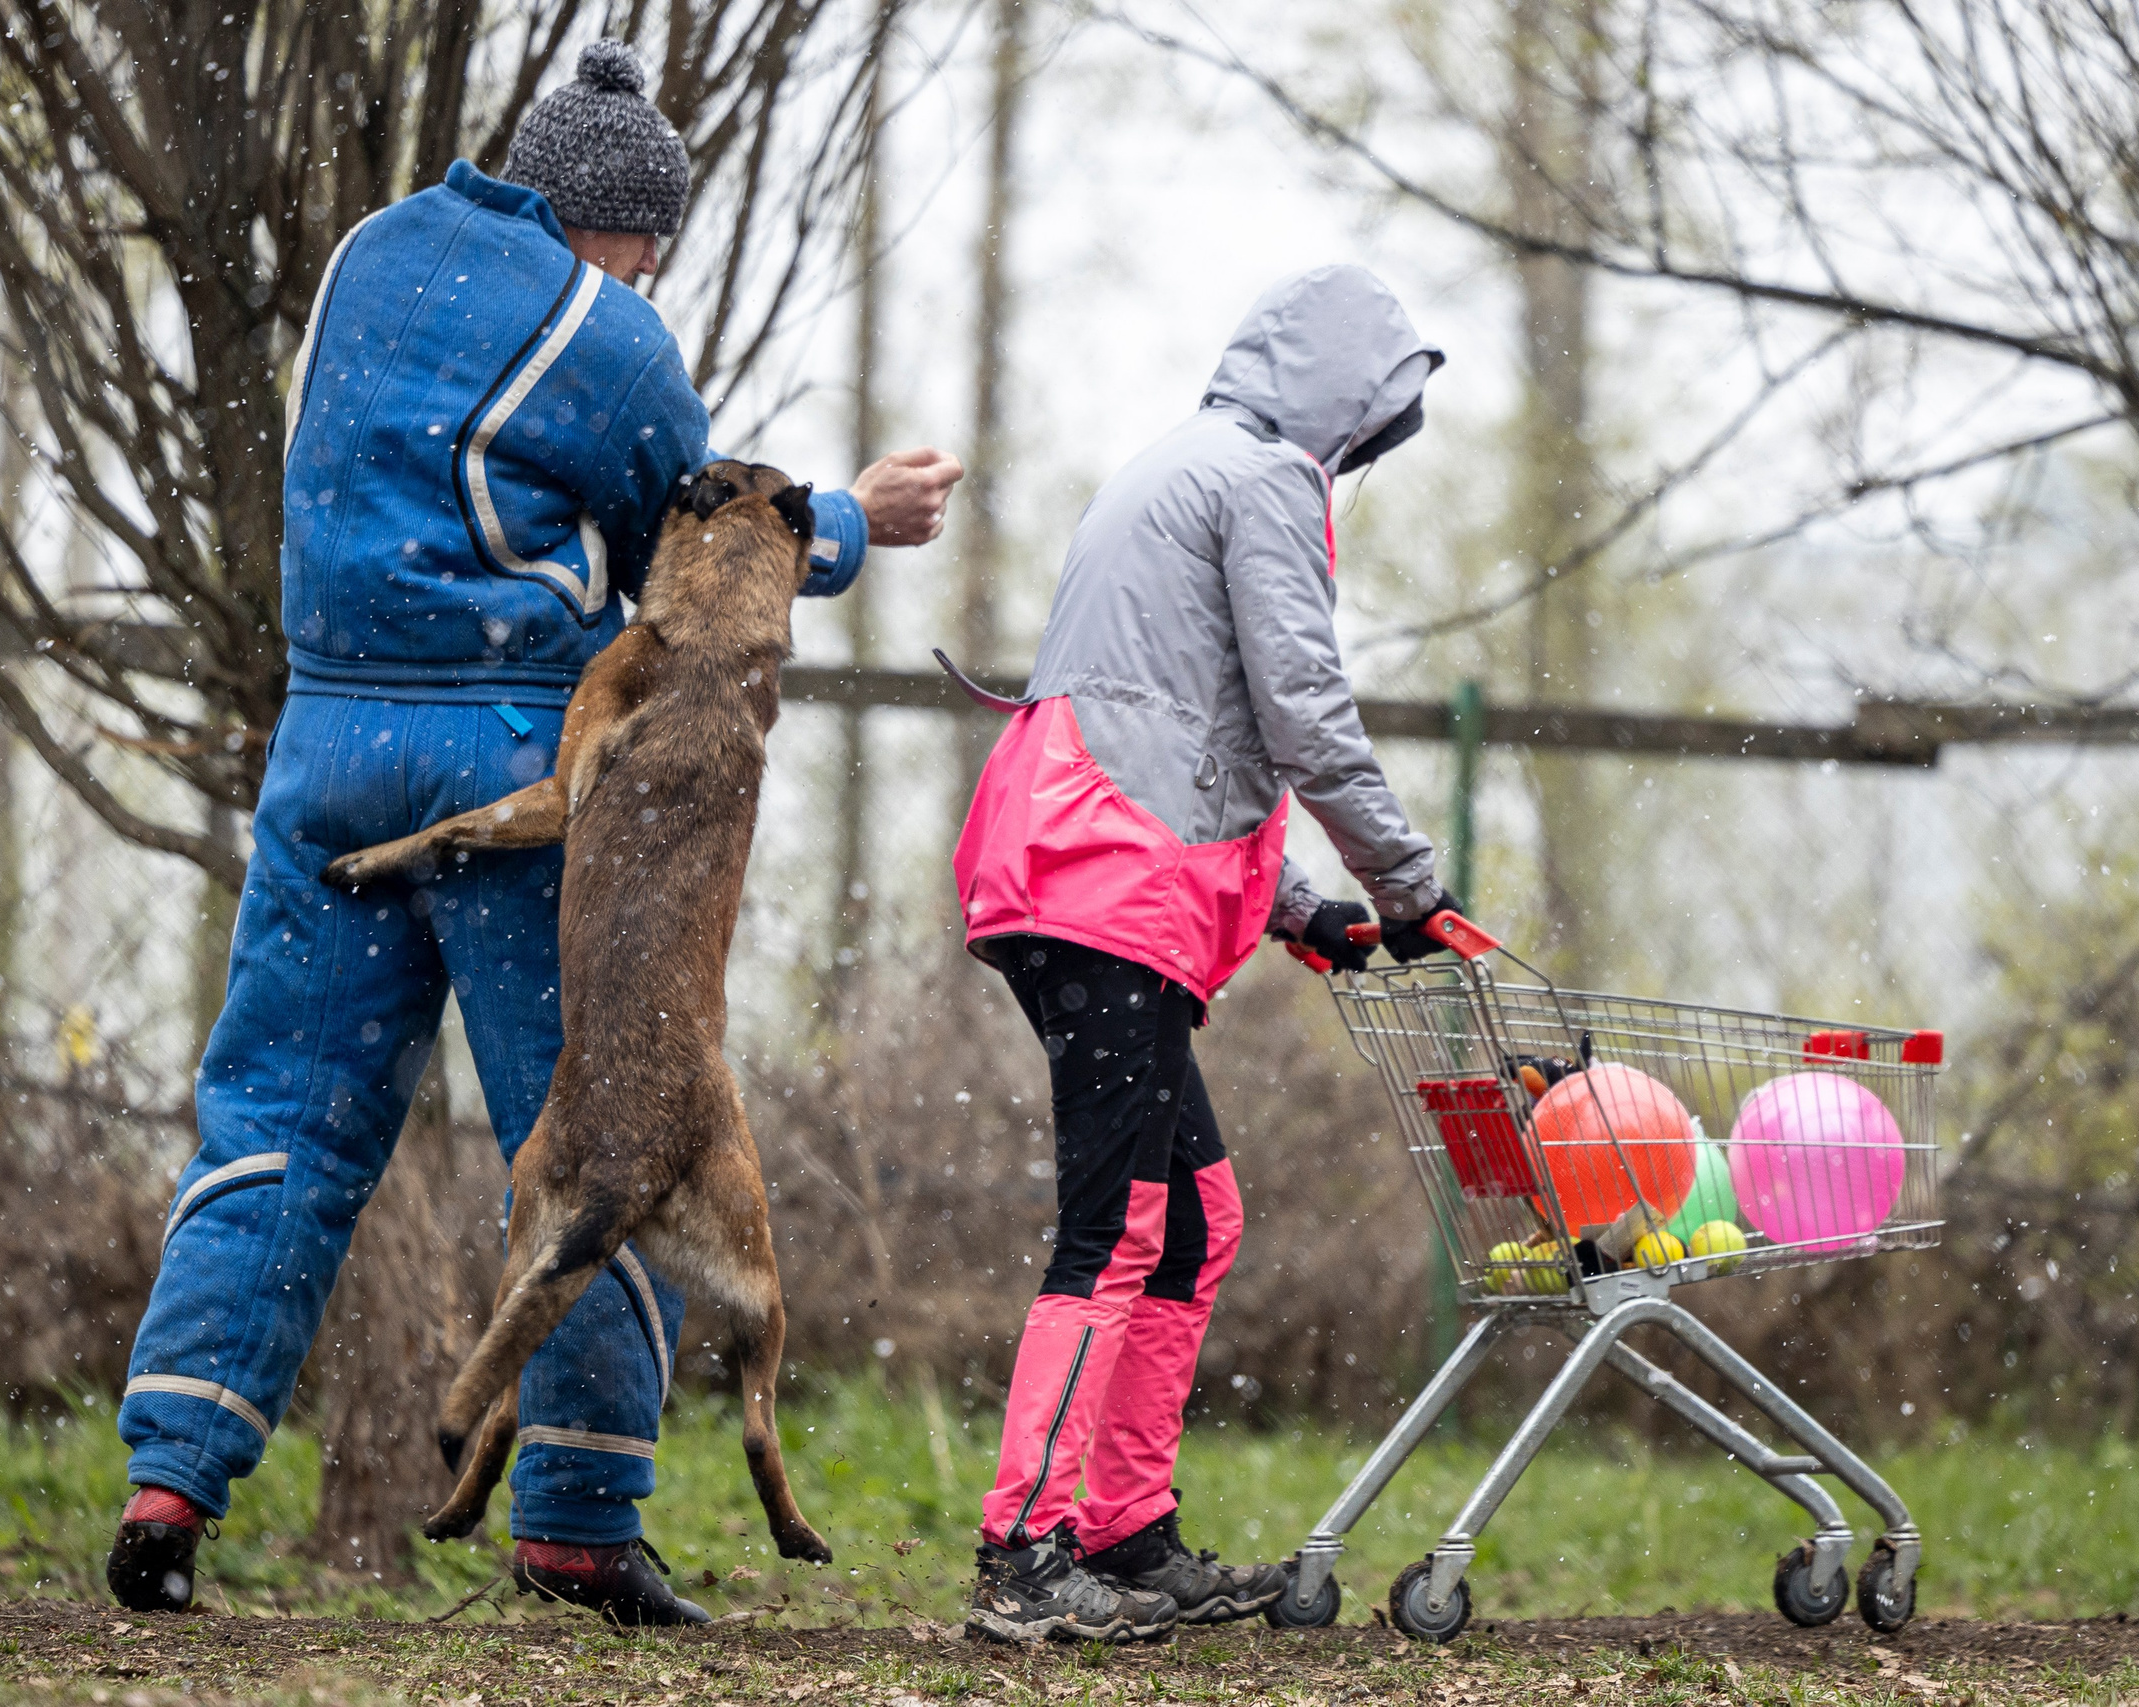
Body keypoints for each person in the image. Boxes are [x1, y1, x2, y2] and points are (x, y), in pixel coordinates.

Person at [106, 40, 963, 1625]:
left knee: (279, 1126)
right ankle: (576, 1520)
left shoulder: (372, 253)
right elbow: (704, 546)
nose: (651, 274)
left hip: (323, 748)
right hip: (502, 766)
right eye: (650, 245)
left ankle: (172, 1480)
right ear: (614, 223)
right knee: (598, 1136)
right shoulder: (606, 334)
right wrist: (851, 520)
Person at [949, 264, 1457, 1643]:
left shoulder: (1185, 467)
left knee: (1194, 1216)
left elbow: (1188, 729)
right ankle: (1026, 1551)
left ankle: (1123, 1530)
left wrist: (1305, 908)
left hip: (1078, 864)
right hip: (1103, 887)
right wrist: (1405, 888)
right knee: (1116, 1227)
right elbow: (1300, 711)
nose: (1366, 452)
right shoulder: (1264, 478)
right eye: (1376, 418)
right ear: (1344, 396)